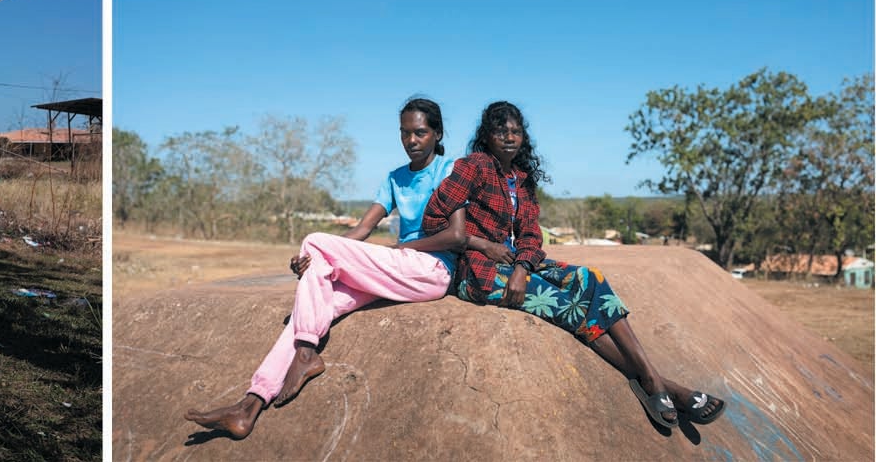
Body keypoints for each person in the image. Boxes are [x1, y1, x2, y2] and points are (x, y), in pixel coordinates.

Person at [420, 101, 726, 429]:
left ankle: (652, 381)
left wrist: (522, 269)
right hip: (478, 272)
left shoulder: (521, 178)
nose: (509, 137)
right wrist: (482, 244)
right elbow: (434, 218)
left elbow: (531, 235)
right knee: (569, 306)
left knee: (590, 278)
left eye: (515, 131)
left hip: (514, 265)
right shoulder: (473, 166)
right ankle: (661, 384)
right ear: (487, 136)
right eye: (500, 131)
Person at [184, 98, 477, 439]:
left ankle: (306, 354)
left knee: (314, 242)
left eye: (420, 133)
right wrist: (317, 259)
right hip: (397, 269)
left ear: (437, 133)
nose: (411, 140)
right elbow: (361, 231)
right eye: (405, 133)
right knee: (309, 307)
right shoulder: (395, 178)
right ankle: (249, 405)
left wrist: (400, 247)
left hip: (431, 269)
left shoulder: (450, 170)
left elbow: (457, 237)